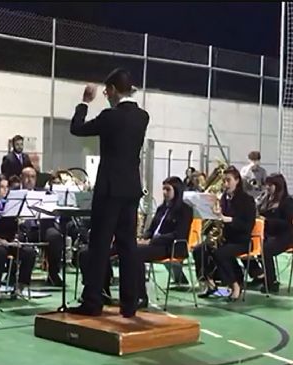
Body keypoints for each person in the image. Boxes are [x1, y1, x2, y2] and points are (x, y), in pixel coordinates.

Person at [69, 68, 150, 317]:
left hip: (109, 190)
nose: (106, 95)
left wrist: (84, 102)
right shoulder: (142, 117)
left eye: (107, 91)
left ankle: (93, 301)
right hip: (131, 189)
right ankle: (129, 303)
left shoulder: (109, 117)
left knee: (100, 246)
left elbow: (77, 128)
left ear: (113, 90)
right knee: (128, 247)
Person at [193, 166, 256, 301]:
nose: (225, 184)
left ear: (237, 181)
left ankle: (235, 285)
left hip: (241, 240)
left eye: (228, 180)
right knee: (199, 249)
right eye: (224, 181)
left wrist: (227, 219)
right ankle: (209, 283)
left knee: (220, 253)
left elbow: (247, 225)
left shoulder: (247, 200)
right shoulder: (223, 198)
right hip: (226, 238)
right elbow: (220, 218)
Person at [135, 177, 194, 307]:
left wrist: (152, 241)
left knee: (136, 254)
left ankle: (141, 297)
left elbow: (179, 234)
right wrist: (144, 237)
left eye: (168, 189)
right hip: (155, 244)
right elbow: (151, 229)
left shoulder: (185, 210)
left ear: (177, 191)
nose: (164, 192)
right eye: (163, 189)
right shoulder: (161, 208)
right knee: (129, 249)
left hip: (172, 247)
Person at [0, 175, 36, 301]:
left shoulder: (12, 205)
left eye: (6, 187)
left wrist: (16, 239)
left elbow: (16, 228)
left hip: (8, 242)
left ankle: (20, 287)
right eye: (1, 187)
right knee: (0, 251)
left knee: (29, 252)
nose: (5, 190)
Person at [252, 174, 293, 293]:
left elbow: (287, 223)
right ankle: (258, 274)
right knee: (250, 245)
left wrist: (267, 220)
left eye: (270, 185)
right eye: (267, 185)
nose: (267, 187)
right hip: (269, 234)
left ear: (278, 186)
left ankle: (271, 282)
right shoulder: (266, 198)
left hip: (285, 235)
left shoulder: (287, 202)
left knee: (265, 250)